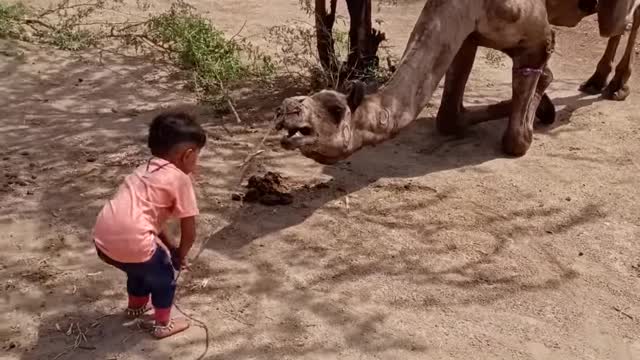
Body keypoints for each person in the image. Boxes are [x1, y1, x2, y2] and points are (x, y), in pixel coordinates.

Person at [92, 111, 206, 339]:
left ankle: (136, 306)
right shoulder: (180, 179)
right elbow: (189, 230)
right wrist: (180, 256)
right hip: (134, 240)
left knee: (139, 267)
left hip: (103, 241)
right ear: (188, 154)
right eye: (198, 156)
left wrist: (169, 247)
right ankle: (163, 324)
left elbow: (152, 220)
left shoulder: (143, 170)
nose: (197, 162)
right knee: (163, 277)